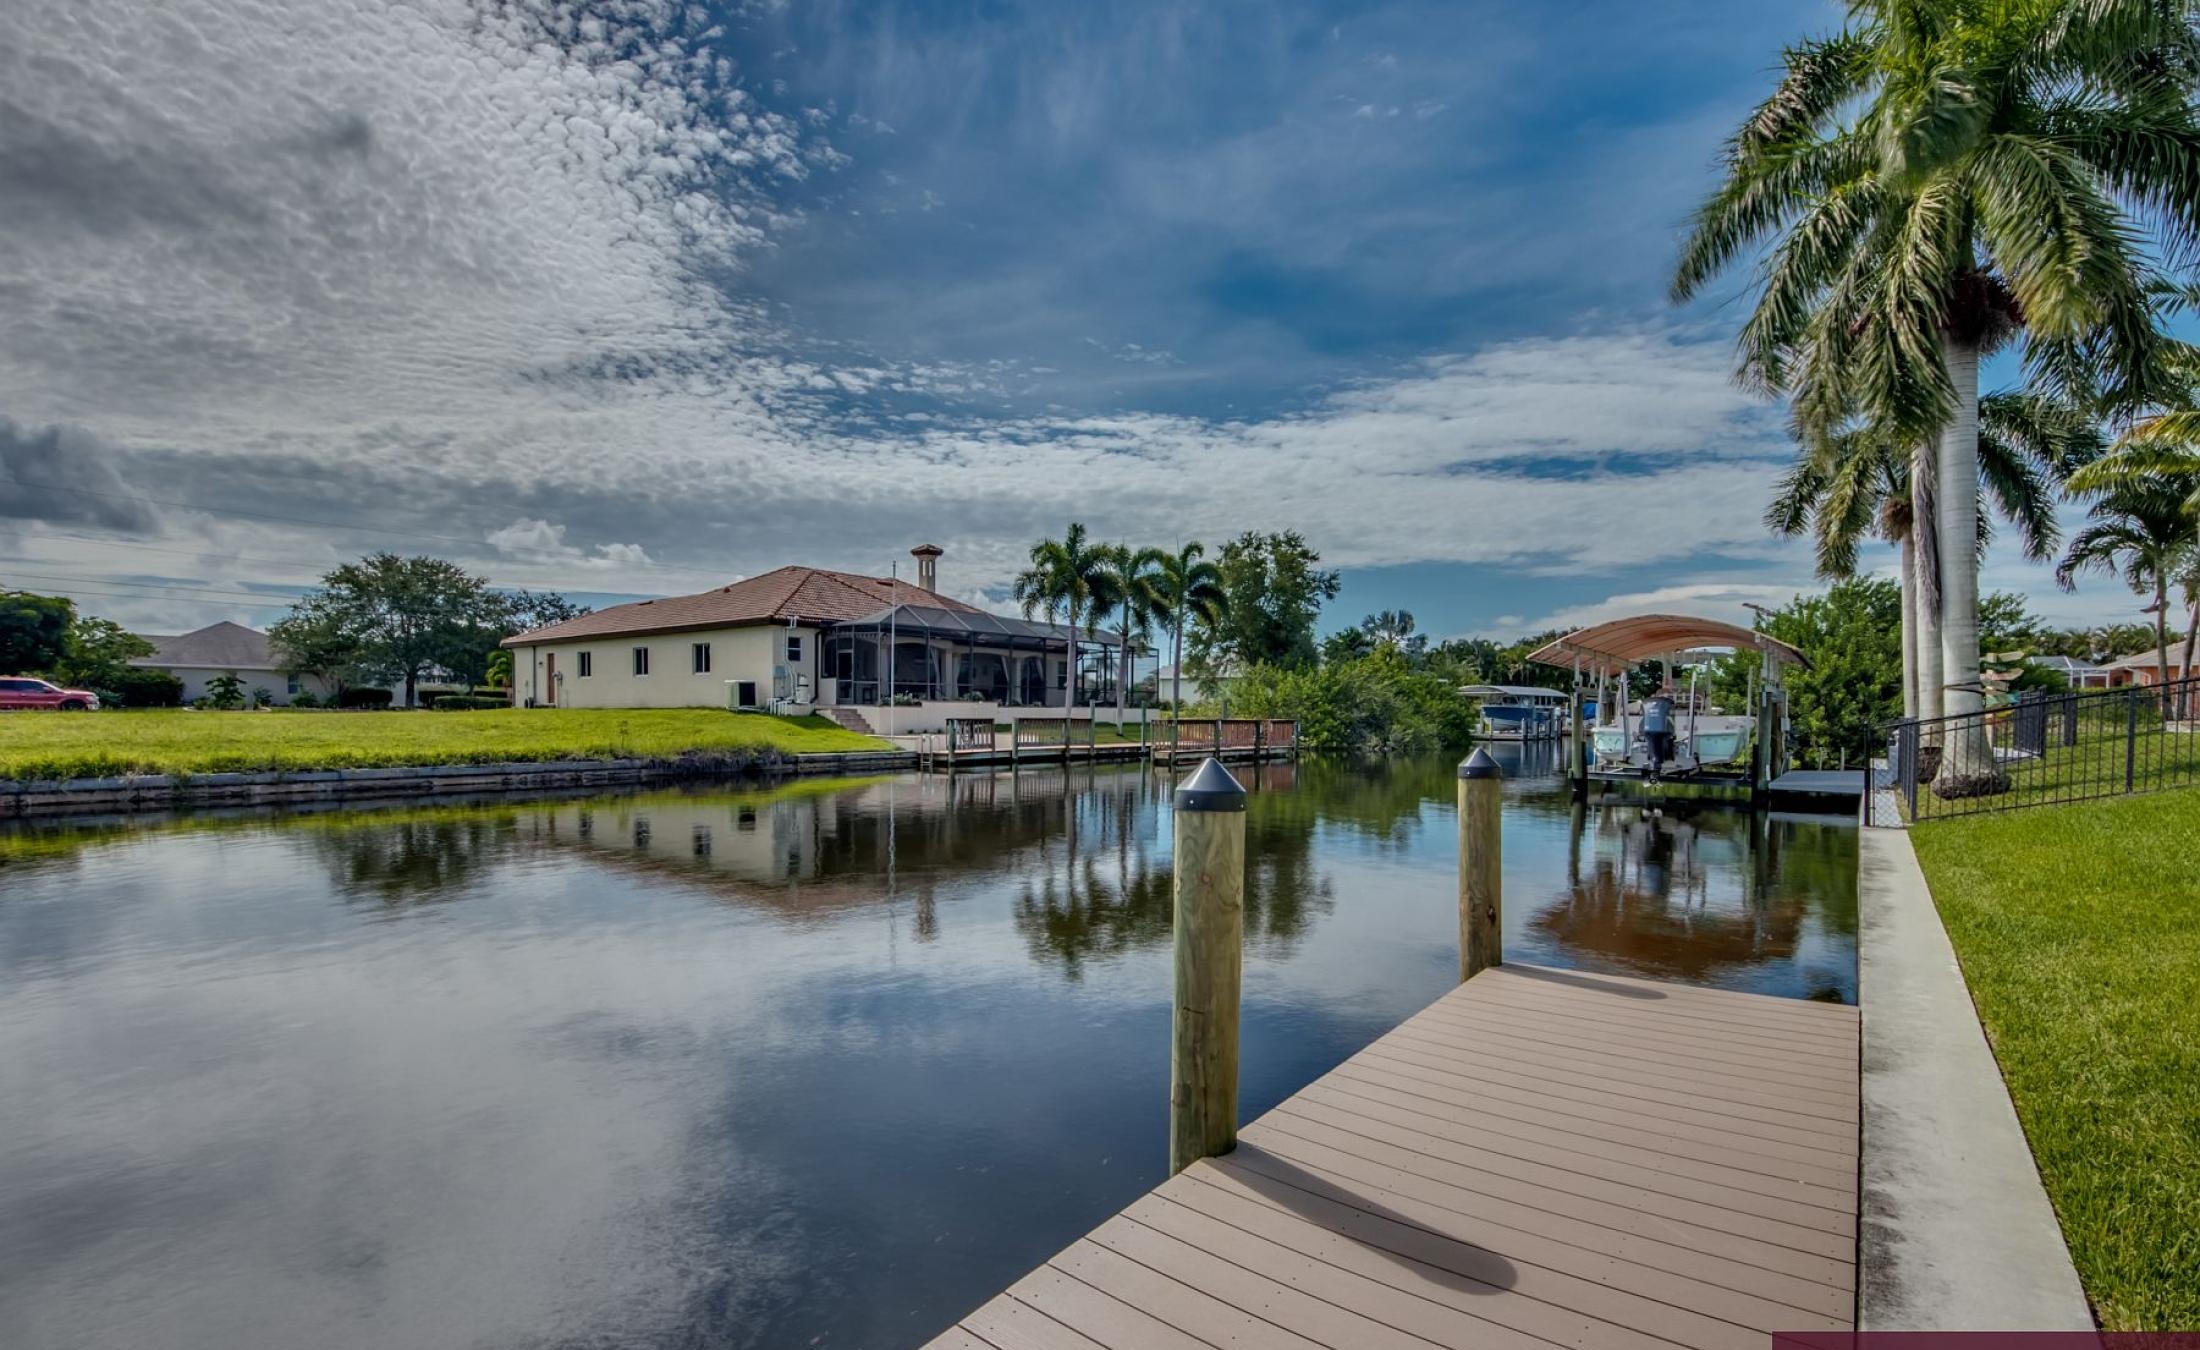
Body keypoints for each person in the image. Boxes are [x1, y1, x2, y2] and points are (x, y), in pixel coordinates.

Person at [1642, 684, 1676, 777]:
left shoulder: (1649, 704)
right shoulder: (1667, 704)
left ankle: (1655, 764)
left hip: (1650, 730)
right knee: (1658, 739)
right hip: (1661, 731)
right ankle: (1657, 764)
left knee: (1654, 740)